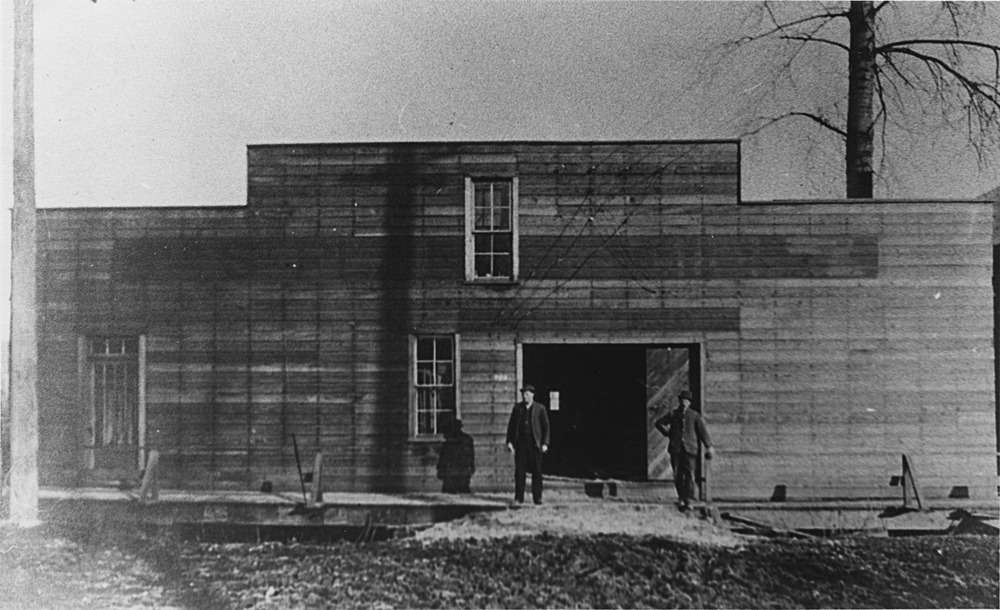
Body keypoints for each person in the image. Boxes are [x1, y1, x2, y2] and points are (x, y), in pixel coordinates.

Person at [655, 390, 713, 511]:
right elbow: (659, 423)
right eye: (682, 400)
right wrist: (668, 433)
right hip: (676, 449)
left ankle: (689, 500)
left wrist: (709, 446)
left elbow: (703, 432)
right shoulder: (673, 414)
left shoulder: (695, 416)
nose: (684, 403)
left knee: (690, 476)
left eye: (687, 401)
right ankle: (681, 498)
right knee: (677, 475)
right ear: (679, 401)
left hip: (690, 450)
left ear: (690, 403)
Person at [505, 385, 550, 505]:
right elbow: (511, 426)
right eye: (523, 394)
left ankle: (537, 497)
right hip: (521, 443)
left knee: (537, 471)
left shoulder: (540, 409)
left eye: (527, 394)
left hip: (535, 443)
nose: (525, 396)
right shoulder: (518, 408)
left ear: (532, 395)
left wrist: (545, 443)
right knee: (520, 471)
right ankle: (519, 497)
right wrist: (509, 441)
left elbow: (546, 428)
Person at [437, 419, 475, 493]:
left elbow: (470, 455)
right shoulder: (448, 442)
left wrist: (471, 466)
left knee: (462, 491)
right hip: (452, 473)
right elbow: (443, 458)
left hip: (461, 470)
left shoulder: (466, 440)